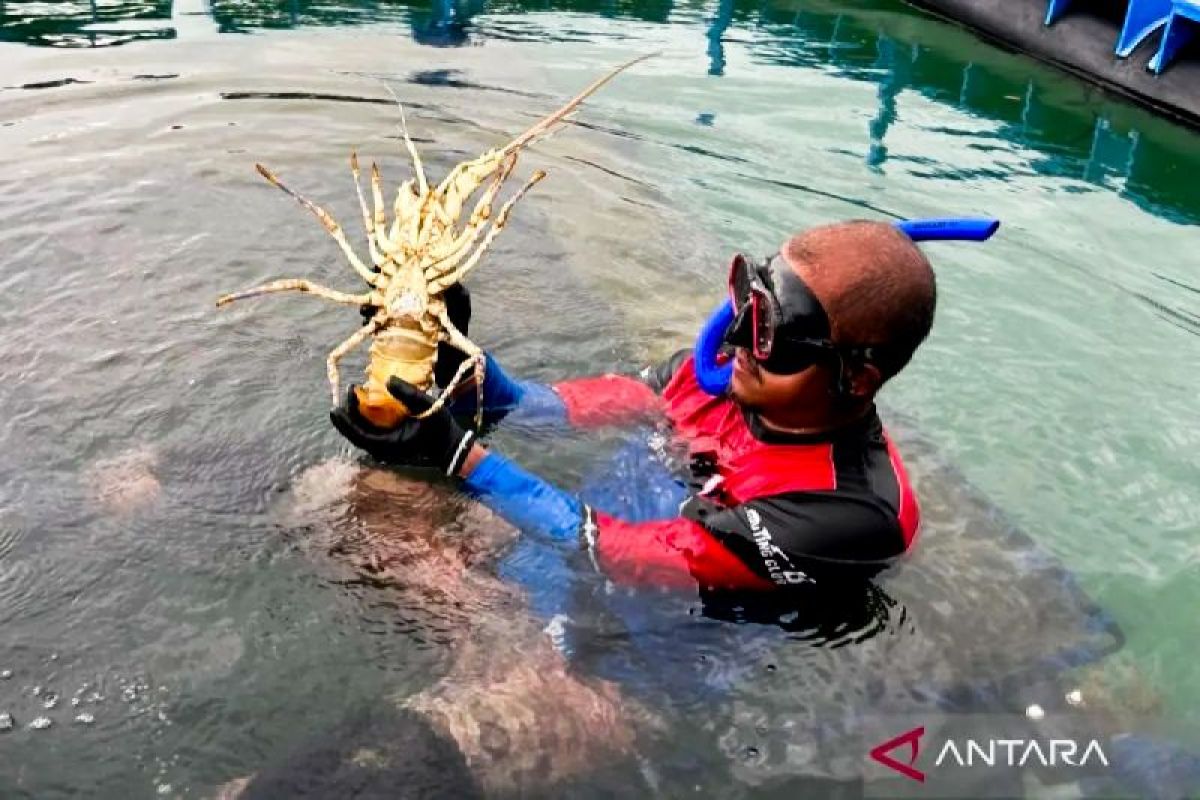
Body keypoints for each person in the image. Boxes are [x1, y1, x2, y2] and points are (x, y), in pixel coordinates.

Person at [331, 219, 933, 594]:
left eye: (774, 330)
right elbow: (557, 407)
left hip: (632, 653)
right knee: (326, 503)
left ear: (858, 376)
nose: (740, 339)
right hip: (544, 555)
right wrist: (462, 367)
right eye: (748, 304)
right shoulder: (724, 374)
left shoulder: (852, 514)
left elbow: (627, 557)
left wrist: (462, 460)